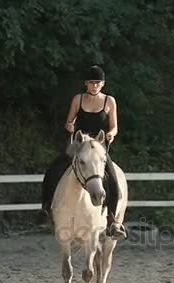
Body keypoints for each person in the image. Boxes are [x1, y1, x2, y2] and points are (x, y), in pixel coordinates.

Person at [41, 65, 126, 240]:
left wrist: (111, 134)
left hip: (98, 147)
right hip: (80, 145)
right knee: (54, 169)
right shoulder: (78, 99)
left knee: (112, 176)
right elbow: (69, 121)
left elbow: (115, 126)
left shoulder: (109, 101)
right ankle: (46, 208)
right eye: (91, 83)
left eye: (98, 83)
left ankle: (112, 220)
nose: (94, 86)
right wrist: (69, 126)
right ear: (86, 84)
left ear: (102, 84)